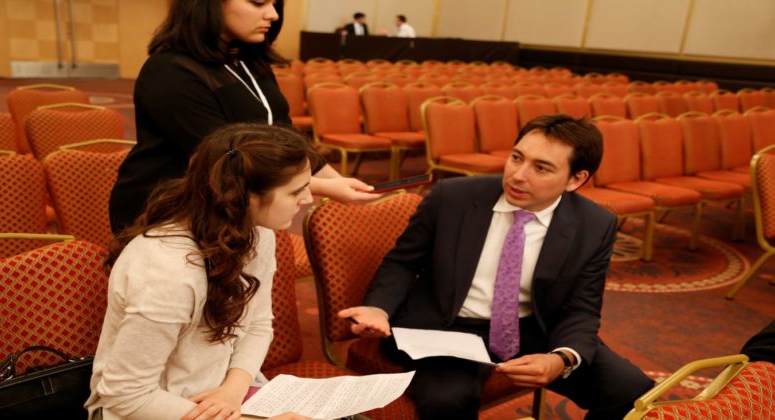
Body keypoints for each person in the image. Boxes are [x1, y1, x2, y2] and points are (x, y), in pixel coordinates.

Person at [339, 115, 653, 419]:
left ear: (576, 179)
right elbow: (403, 262)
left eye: (541, 168)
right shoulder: (453, 197)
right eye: (517, 158)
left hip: (531, 327)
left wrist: (562, 358)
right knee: (447, 400)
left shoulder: (594, 224)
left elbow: (582, 307)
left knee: (631, 388)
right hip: (447, 328)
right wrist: (378, 308)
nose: (518, 175)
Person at [86, 124, 312, 420]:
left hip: (216, 395)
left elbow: (258, 323)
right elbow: (126, 395)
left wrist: (234, 388)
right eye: (296, 191)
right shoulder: (168, 273)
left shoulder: (257, 232)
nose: (308, 198)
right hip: (150, 410)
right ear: (247, 197)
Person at [109, 0, 376, 234]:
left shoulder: (248, 60)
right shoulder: (170, 70)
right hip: (169, 214)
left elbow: (285, 135)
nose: (273, 14)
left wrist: (336, 179)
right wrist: (322, 187)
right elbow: (223, 161)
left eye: (274, 4)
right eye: (258, 3)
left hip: (235, 204)